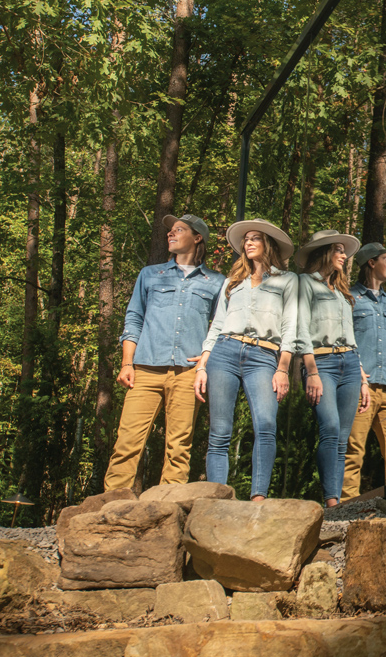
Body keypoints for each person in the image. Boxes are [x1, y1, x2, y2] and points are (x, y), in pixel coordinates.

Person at [104, 214, 225, 492]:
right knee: (127, 443)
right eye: (170, 231)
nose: (171, 234)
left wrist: (205, 363)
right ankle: (109, 507)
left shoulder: (216, 282)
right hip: (145, 369)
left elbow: (220, 327)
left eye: (179, 230)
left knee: (179, 448)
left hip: (188, 373)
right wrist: (127, 363)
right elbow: (133, 319)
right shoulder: (150, 274)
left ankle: (168, 511)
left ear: (197, 238)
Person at [194, 218, 298, 501]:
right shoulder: (232, 282)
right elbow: (217, 325)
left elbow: (291, 327)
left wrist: (283, 368)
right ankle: (217, 499)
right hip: (224, 353)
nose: (249, 242)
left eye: (256, 238)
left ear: (269, 244)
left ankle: (258, 499)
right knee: (219, 432)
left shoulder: (287, 281)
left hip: (264, 355)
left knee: (265, 426)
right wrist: (202, 364)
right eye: (247, 239)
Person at [295, 230, 370, 509]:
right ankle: (330, 502)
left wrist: (362, 377)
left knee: (342, 438)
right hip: (321, 362)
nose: (343, 256)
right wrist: (310, 370)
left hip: (350, 364)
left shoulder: (341, 292)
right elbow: (301, 328)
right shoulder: (305, 283)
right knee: (330, 427)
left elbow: (351, 336)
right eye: (338, 250)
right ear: (325, 252)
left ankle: (335, 503)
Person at [343, 242, 386, 500]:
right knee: (354, 450)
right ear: (371, 263)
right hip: (361, 387)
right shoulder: (350, 298)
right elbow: (344, 340)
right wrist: (358, 375)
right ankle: (345, 508)